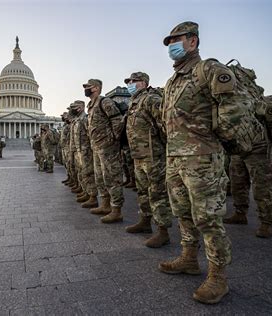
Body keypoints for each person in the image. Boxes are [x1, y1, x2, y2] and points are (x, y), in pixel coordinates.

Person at [159, 21, 232, 304]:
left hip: (202, 158)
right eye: (168, 43)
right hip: (176, 158)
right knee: (183, 213)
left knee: (208, 219)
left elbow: (233, 110)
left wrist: (216, 141)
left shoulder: (209, 70)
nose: (170, 46)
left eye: (175, 40)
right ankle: (189, 258)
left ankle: (218, 276)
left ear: (192, 41)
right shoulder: (173, 80)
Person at [123, 72, 172, 248]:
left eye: (133, 81)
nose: (129, 84)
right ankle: (145, 221)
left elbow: (165, 124)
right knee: (143, 192)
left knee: (157, 194)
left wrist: (163, 148)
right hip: (139, 155)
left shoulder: (151, 99)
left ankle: (163, 231)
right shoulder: (134, 103)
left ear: (143, 83)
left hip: (154, 156)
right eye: (128, 81)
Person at [83, 79, 124, 223]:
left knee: (112, 178)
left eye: (88, 86)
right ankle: (105, 205)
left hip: (108, 148)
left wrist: (113, 140)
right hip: (97, 147)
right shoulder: (91, 105)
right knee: (100, 178)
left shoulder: (105, 102)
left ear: (96, 88)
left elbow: (117, 120)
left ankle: (116, 210)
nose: (85, 89)